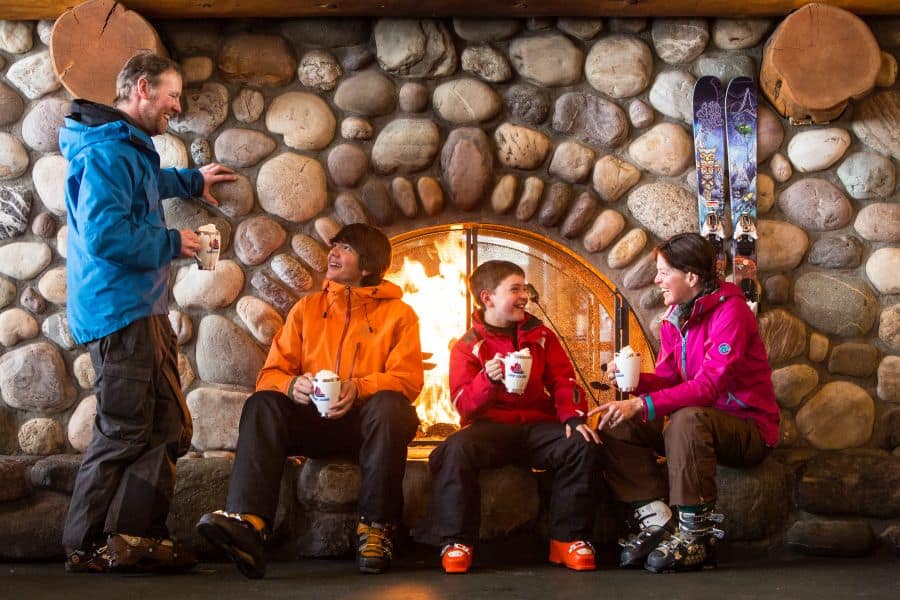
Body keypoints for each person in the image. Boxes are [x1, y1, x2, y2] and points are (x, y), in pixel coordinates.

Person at [60, 52, 236, 573]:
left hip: (143, 308)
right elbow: (105, 234)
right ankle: (83, 543)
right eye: (172, 95)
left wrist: (188, 181)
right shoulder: (107, 152)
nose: (177, 107)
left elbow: (145, 184)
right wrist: (173, 241)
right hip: (119, 312)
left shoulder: (127, 148)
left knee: (168, 425)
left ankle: (135, 535)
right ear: (142, 88)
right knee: (124, 429)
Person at [196, 223, 423, 578]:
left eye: (345, 248)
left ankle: (377, 529)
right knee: (262, 403)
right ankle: (250, 525)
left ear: (368, 265)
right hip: (312, 421)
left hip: (367, 426)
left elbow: (408, 380)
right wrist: (291, 387)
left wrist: (358, 388)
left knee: (392, 406)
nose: (333, 253)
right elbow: (269, 375)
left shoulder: (399, 314)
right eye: (335, 246)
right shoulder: (307, 309)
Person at [589, 232, 779, 573]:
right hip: (697, 422)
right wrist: (632, 383)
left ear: (691, 276)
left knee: (686, 418)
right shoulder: (676, 316)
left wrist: (644, 405)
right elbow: (670, 380)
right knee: (616, 424)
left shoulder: (731, 311)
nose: (657, 280)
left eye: (663, 272)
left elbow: (708, 387)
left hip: (748, 430)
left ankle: (696, 534)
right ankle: (657, 520)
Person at [427, 260, 603, 574]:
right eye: (515, 289)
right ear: (487, 298)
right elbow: (463, 405)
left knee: (581, 444)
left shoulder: (542, 335)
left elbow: (564, 381)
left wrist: (574, 419)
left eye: (525, 288)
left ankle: (567, 540)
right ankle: (456, 542)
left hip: (537, 427)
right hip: (491, 430)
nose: (524, 295)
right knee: (454, 449)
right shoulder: (467, 347)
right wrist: (488, 380)